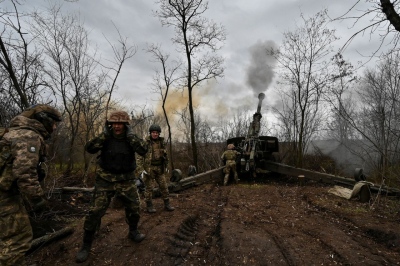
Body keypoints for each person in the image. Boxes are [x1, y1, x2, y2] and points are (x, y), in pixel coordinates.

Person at [75, 110, 148, 263]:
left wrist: (131, 137)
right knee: (95, 211)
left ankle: (133, 231)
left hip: (126, 179)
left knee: (135, 208)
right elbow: (90, 148)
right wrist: (104, 135)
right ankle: (86, 245)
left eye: (120, 124)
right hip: (105, 179)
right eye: (114, 123)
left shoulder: (130, 138)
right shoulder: (105, 137)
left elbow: (144, 150)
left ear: (125, 125)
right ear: (110, 124)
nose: (117, 127)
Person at [0, 104, 62, 266]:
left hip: (6, 192)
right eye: (54, 123)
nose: (55, 127)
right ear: (44, 120)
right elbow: (25, 174)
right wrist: (38, 202)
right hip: (4, 197)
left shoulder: (11, 133)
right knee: (18, 238)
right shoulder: (28, 136)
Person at [137, 124, 174, 213]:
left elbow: (165, 155)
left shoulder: (161, 142)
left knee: (164, 186)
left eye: (157, 133)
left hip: (160, 168)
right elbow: (139, 156)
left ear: (159, 133)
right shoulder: (145, 143)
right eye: (153, 132)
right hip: (149, 169)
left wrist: (166, 165)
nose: (155, 134)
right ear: (150, 133)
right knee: (149, 188)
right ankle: (149, 206)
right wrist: (141, 169)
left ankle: (167, 204)